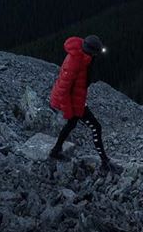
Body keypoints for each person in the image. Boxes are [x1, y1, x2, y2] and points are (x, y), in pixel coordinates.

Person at [48, 34, 114, 170]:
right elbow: (63, 89)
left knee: (71, 125)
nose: (97, 55)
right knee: (95, 127)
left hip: (76, 99)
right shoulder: (74, 63)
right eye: (96, 52)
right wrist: (68, 110)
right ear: (90, 50)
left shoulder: (83, 57)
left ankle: (56, 150)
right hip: (70, 102)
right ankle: (104, 161)